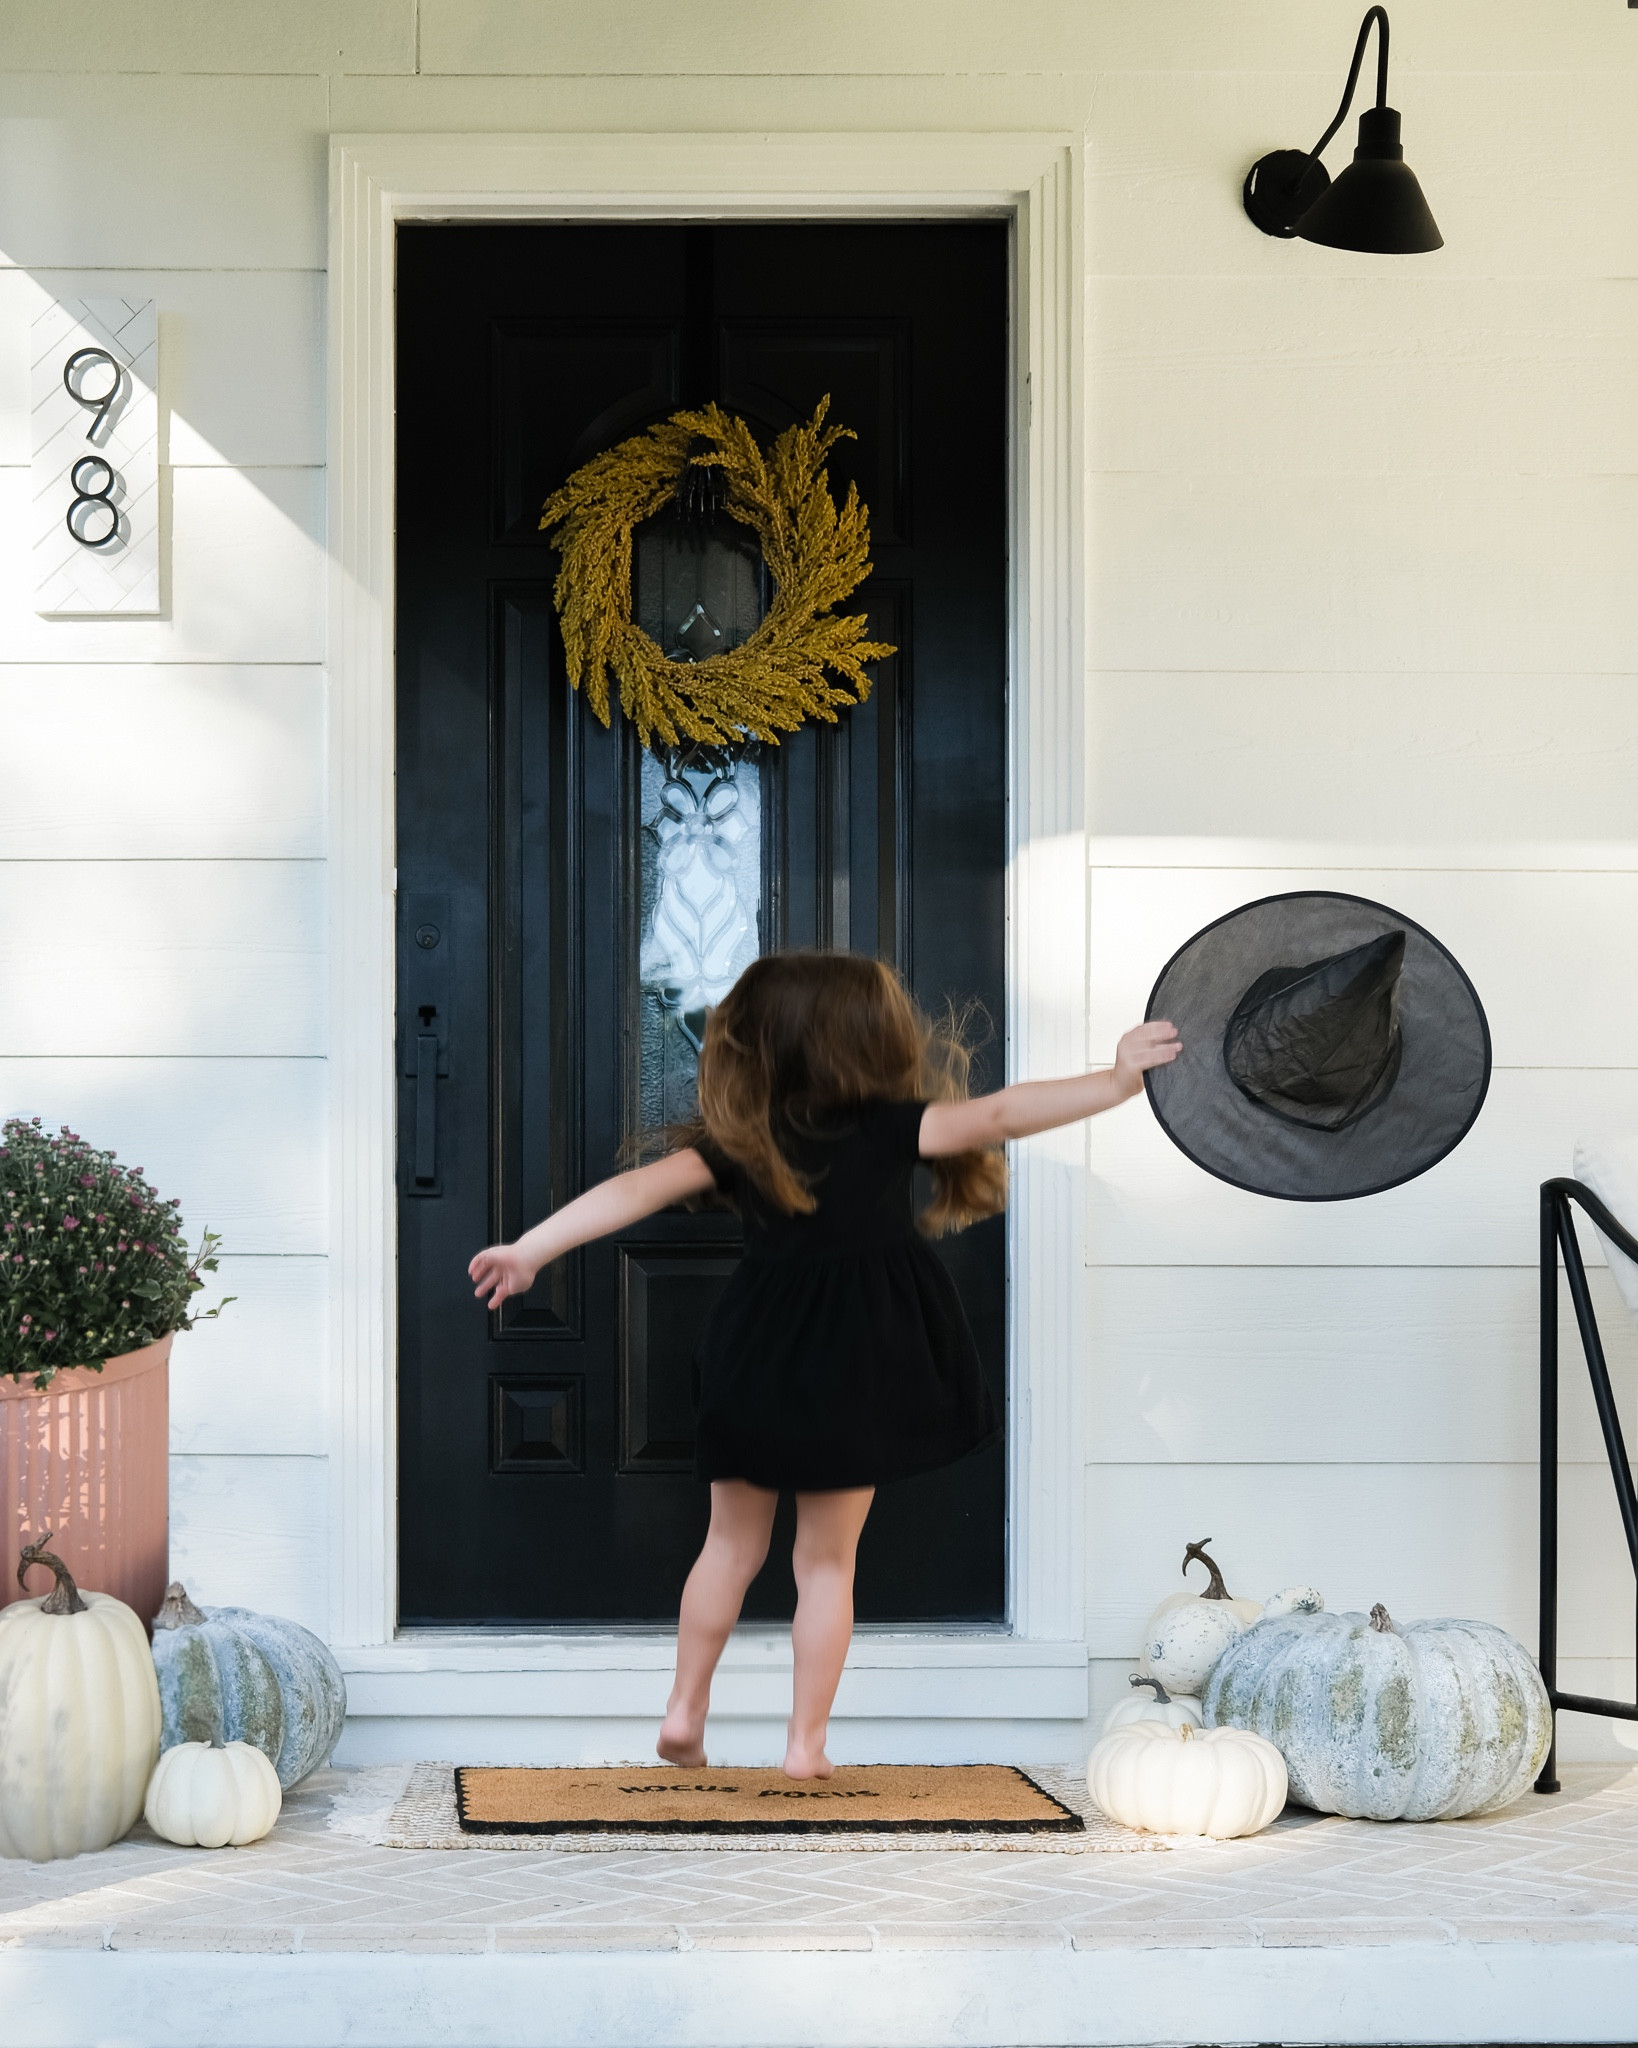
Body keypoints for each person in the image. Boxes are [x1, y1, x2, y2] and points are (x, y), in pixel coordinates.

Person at [468, 951, 1179, 1779]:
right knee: (826, 1563)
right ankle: (804, 1745)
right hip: (858, 1355)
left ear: (756, 1046)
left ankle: (683, 1710)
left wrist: (531, 1249)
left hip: (756, 1349)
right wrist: (1115, 1081)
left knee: (727, 1548)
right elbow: (1002, 1115)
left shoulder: (744, 1141)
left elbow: (632, 1192)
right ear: (869, 1039)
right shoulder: (892, 1126)